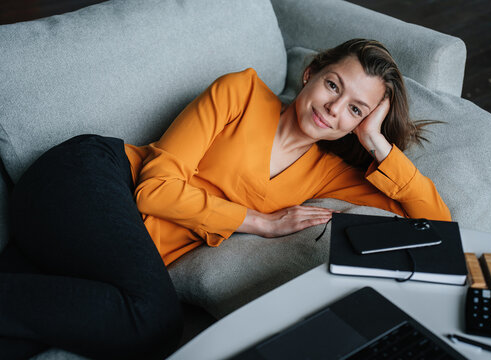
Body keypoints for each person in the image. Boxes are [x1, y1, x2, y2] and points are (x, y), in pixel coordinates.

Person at [0, 38, 450, 359]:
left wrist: (376, 142)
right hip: (90, 178)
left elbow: (439, 227)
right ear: (310, 73)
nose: (334, 109)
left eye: (355, 108)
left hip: (94, 246)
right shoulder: (241, 92)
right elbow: (154, 188)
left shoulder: (329, 171)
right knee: (154, 324)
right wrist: (259, 221)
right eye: (334, 85)